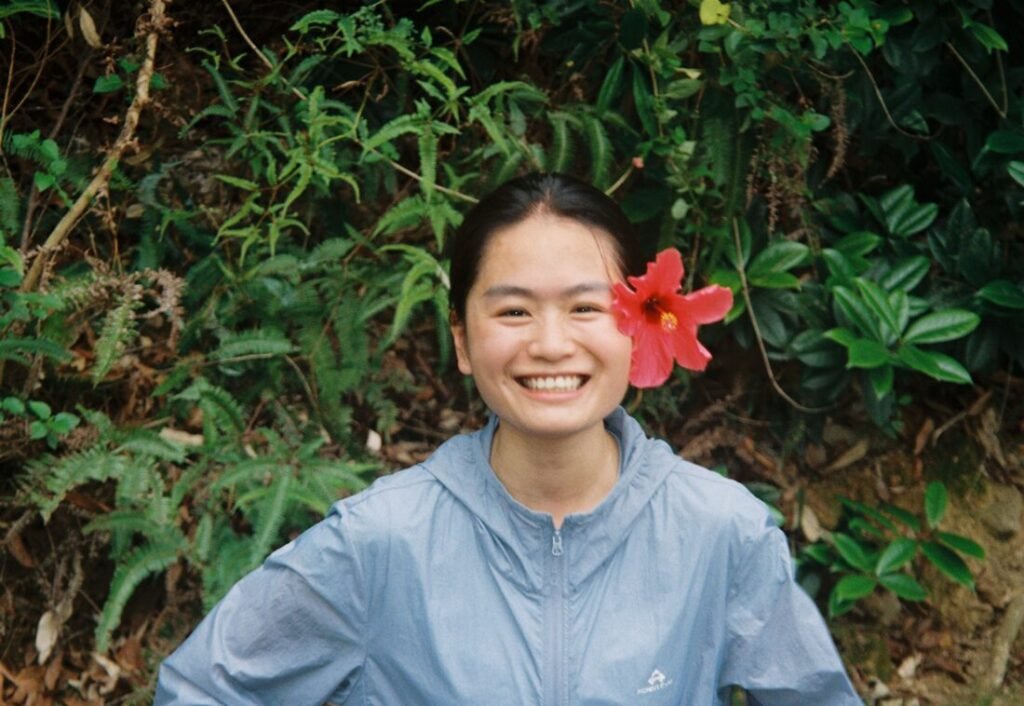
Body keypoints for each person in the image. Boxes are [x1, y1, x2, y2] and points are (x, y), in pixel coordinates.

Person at [155, 173, 863, 705]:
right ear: (463, 340)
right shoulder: (380, 543)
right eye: (514, 310)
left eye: (586, 307)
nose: (551, 344)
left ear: (640, 325)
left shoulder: (721, 534)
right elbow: (202, 688)